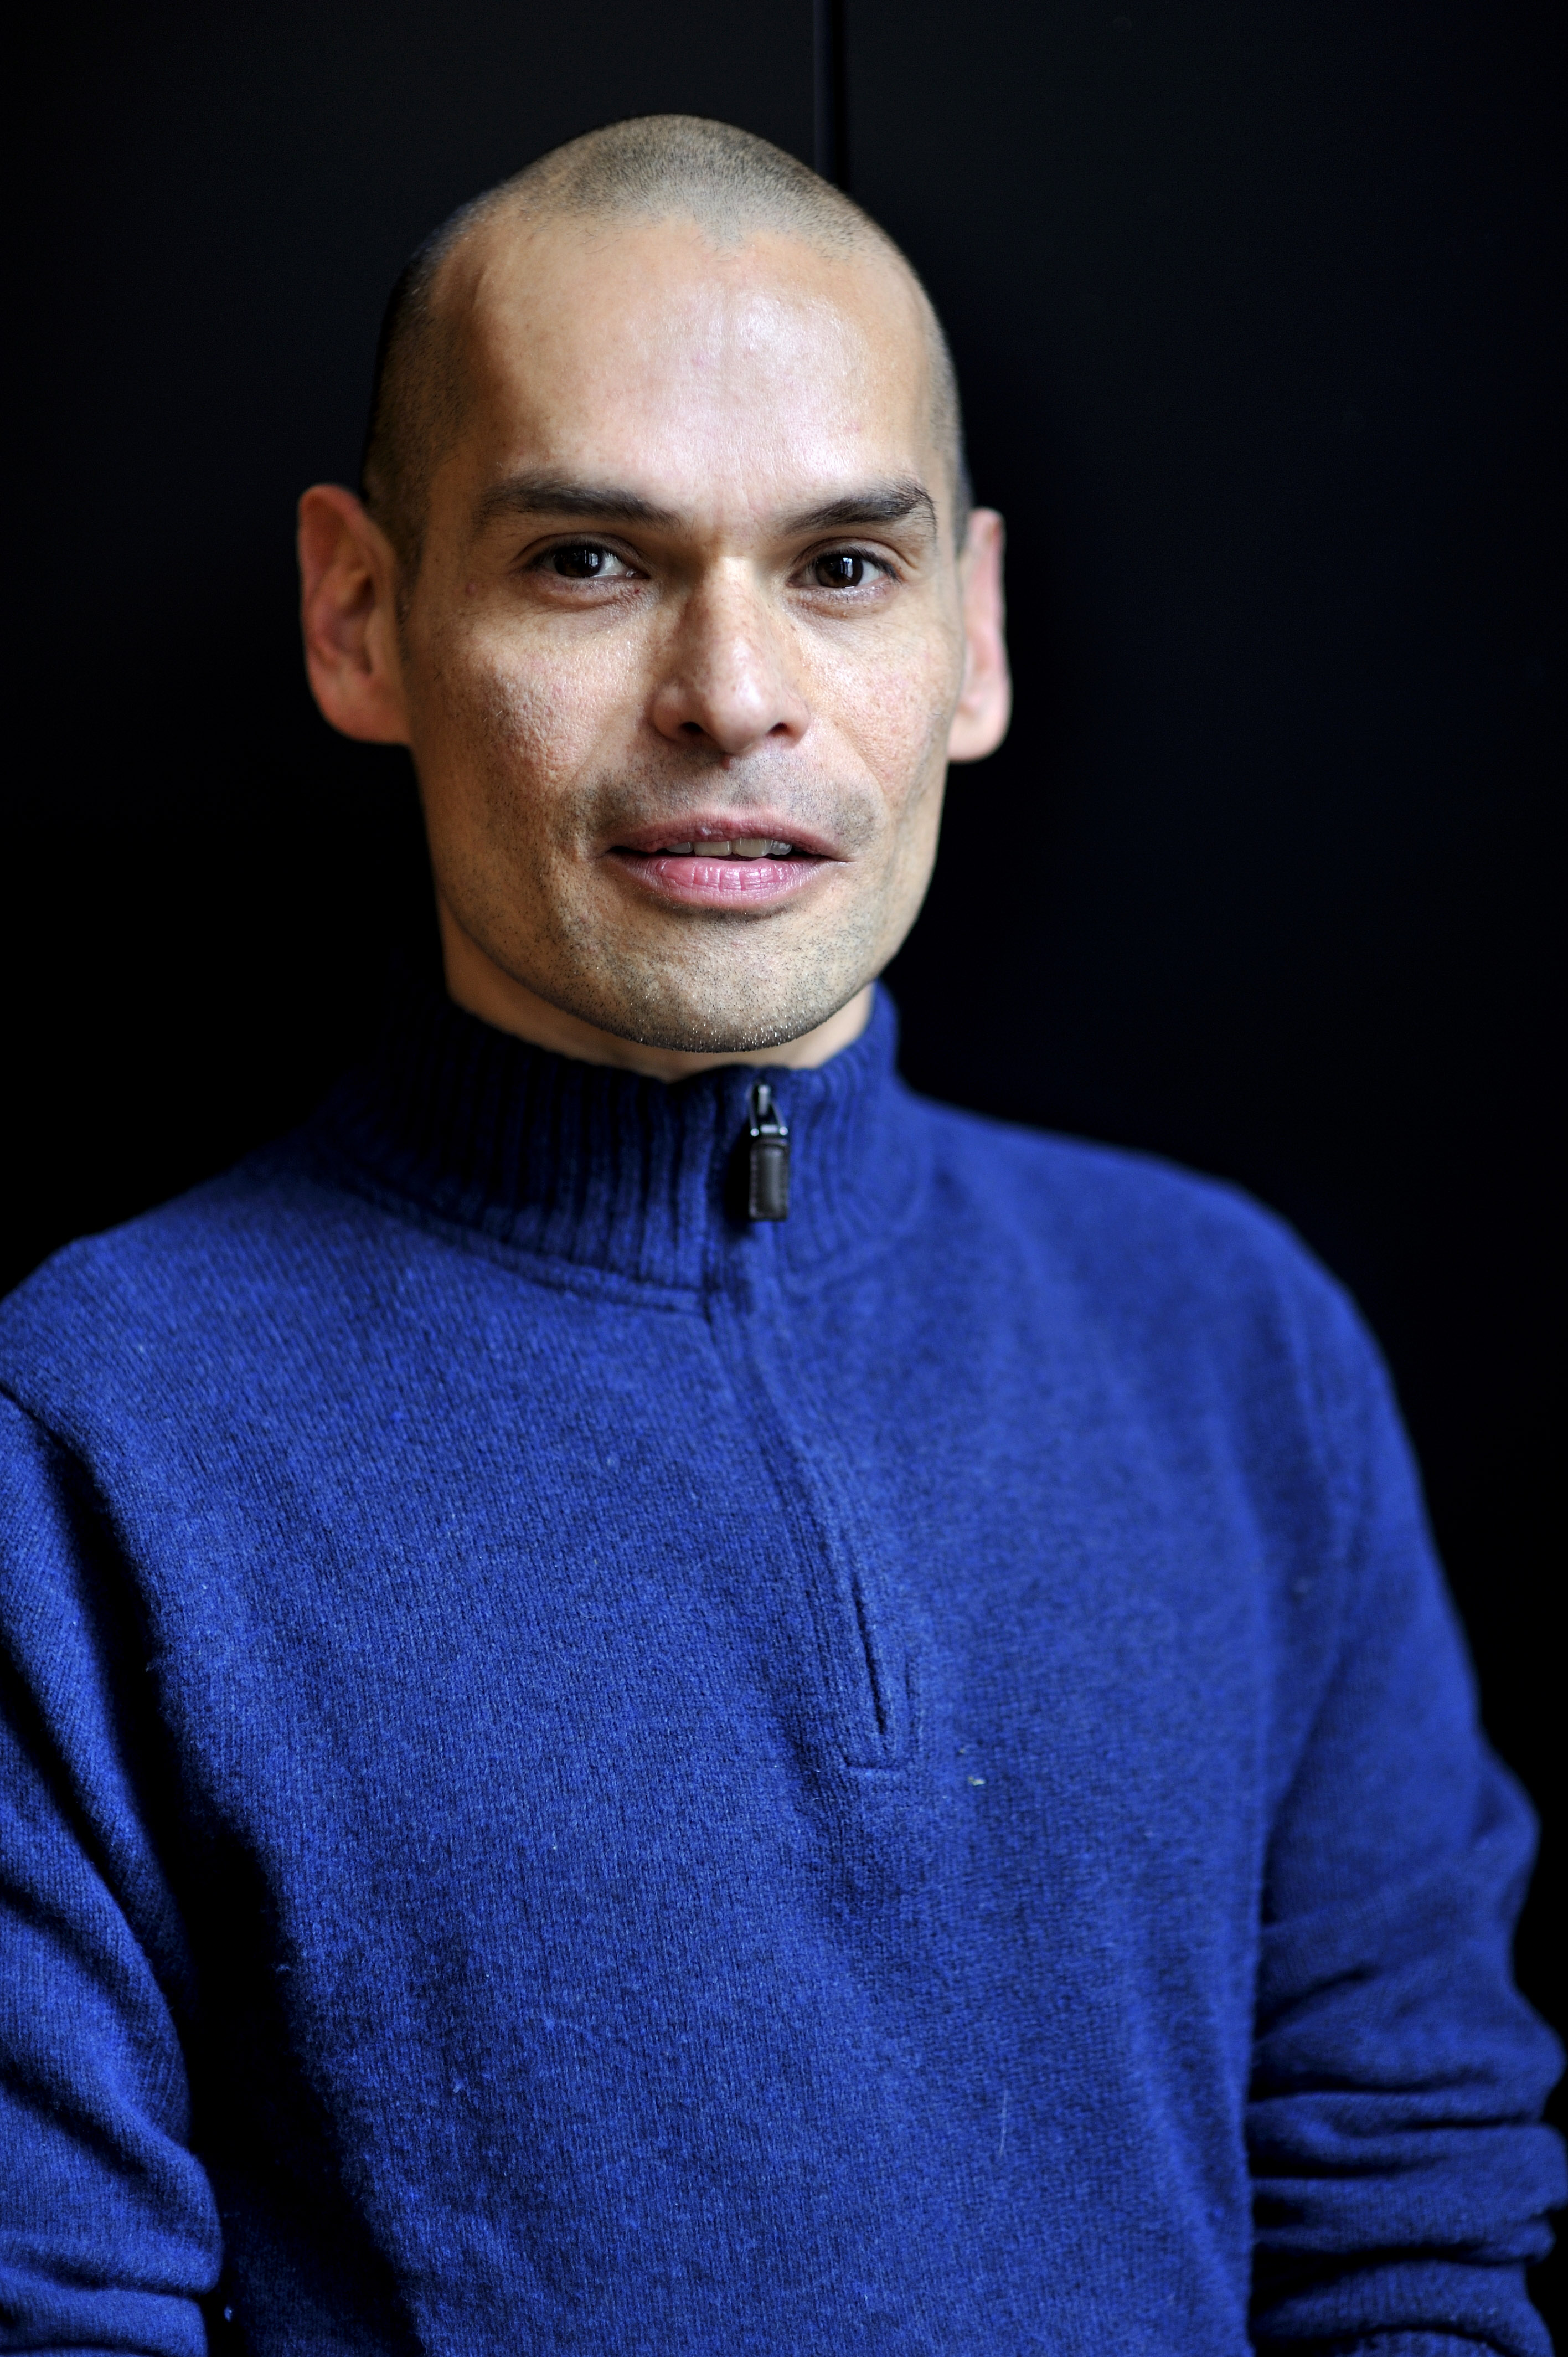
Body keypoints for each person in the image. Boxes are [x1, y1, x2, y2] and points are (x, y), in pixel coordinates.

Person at [0, 113, 1560, 2357]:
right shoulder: (93, 1421)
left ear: (972, 635)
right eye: (587, 561)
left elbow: (1415, 2240)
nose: (732, 693)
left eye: (842, 566)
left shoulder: (1236, 1346)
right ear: (363, 614)